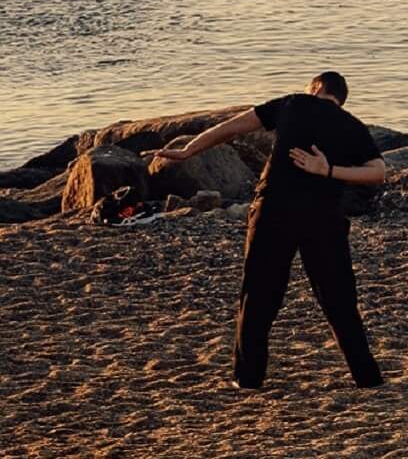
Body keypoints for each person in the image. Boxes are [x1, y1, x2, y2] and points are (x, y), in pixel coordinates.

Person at [146, 71, 388, 390]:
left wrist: (188, 150)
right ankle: (367, 378)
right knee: (339, 299)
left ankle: (248, 379)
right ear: (340, 99)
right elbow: (379, 172)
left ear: (316, 89)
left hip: (275, 209)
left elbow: (231, 127)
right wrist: (327, 170)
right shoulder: (353, 126)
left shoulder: (292, 103)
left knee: (259, 295)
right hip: (324, 216)